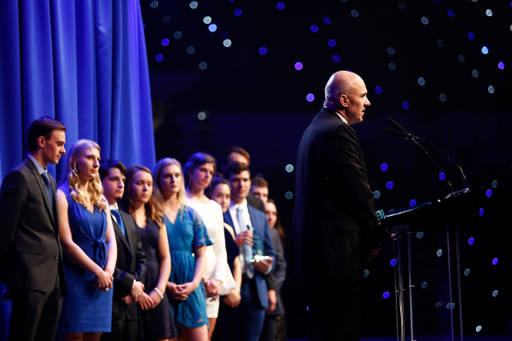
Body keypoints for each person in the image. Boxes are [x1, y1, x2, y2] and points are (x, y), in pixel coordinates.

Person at [289, 70, 381, 341]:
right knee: (339, 333)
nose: (368, 102)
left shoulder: (316, 127)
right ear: (344, 100)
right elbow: (358, 193)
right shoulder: (337, 132)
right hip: (335, 258)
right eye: (363, 96)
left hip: (318, 256)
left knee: (324, 331)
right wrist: (374, 237)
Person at [0, 116, 67, 341]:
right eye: (59, 144)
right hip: (29, 280)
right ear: (41, 141)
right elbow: (5, 232)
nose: (63, 150)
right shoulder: (19, 177)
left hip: (53, 280)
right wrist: (11, 278)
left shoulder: (50, 179)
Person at [56, 139, 117, 340]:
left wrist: (108, 271)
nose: (96, 164)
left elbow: (111, 240)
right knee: (73, 335)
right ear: (74, 161)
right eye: (90, 158)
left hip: (102, 278)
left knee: (95, 336)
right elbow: (65, 242)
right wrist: (97, 271)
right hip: (76, 274)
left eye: (98, 159)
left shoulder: (101, 199)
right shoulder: (62, 195)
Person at [152, 158, 211, 341]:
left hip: (190, 283)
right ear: (158, 179)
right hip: (162, 282)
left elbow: (202, 254)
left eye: (177, 175)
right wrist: (165, 285)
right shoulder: (151, 212)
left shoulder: (191, 214)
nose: (173, 180)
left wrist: (194, 283)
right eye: (168, 176)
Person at [183, 153, 236, 340]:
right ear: (190, 171)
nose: (207, 175)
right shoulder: (181, 201)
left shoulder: (214, 206)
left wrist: (218, 280)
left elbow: (220, 250)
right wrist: (202, 279)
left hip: (213, 284)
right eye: (203, 170)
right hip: (191, 277)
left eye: (210, 172)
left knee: (207, 335)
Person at [121, 165, 176, 341]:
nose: (146, 188)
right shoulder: (119, 215)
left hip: (156, 287)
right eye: (139, 183)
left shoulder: (156, 217)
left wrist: (159, 291)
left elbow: (165, 257)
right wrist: (137, 292)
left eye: (149, 184)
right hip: (132, 285)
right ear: (129, 185)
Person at [223, 162, 275, 341]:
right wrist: (233, 242)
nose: (241, 184)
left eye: (245, 180)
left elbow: (271, 252)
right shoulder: (219, 212)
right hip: (228, 287)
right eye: (236, 180)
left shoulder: (259, 215)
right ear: (228, 182)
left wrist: (266, 266)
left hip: (255, 287)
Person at [99, 160, 147, 341]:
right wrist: (129, 284)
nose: (121, 184)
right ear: (100, 181)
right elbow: (100, 257)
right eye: (114, 179)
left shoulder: (127, 217)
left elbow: (141, 257)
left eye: (123, 180)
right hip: (110, 299)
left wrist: (137, 286)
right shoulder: (96, 216)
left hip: (131, 304)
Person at [209, 178, 242, 341]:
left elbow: (236, 262)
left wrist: (235, 290)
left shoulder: (228, 227)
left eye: (227, 196)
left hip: (230, 292)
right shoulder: (205, 224)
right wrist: (227, 291)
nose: (224, 200)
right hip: (214, 291)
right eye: (219, 195)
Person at [259, 199, 287, 341]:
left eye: (274, 213)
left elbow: (281, 266)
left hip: (272, 299)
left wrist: (272, 289)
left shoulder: (276, 234)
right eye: (267, 213)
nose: (270, 217)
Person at [221, 147, 265, 213]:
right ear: (224, 166)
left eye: (243, 165)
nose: (239, 168)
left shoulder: (257, 203)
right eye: (236, 163)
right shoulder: (214, 198)